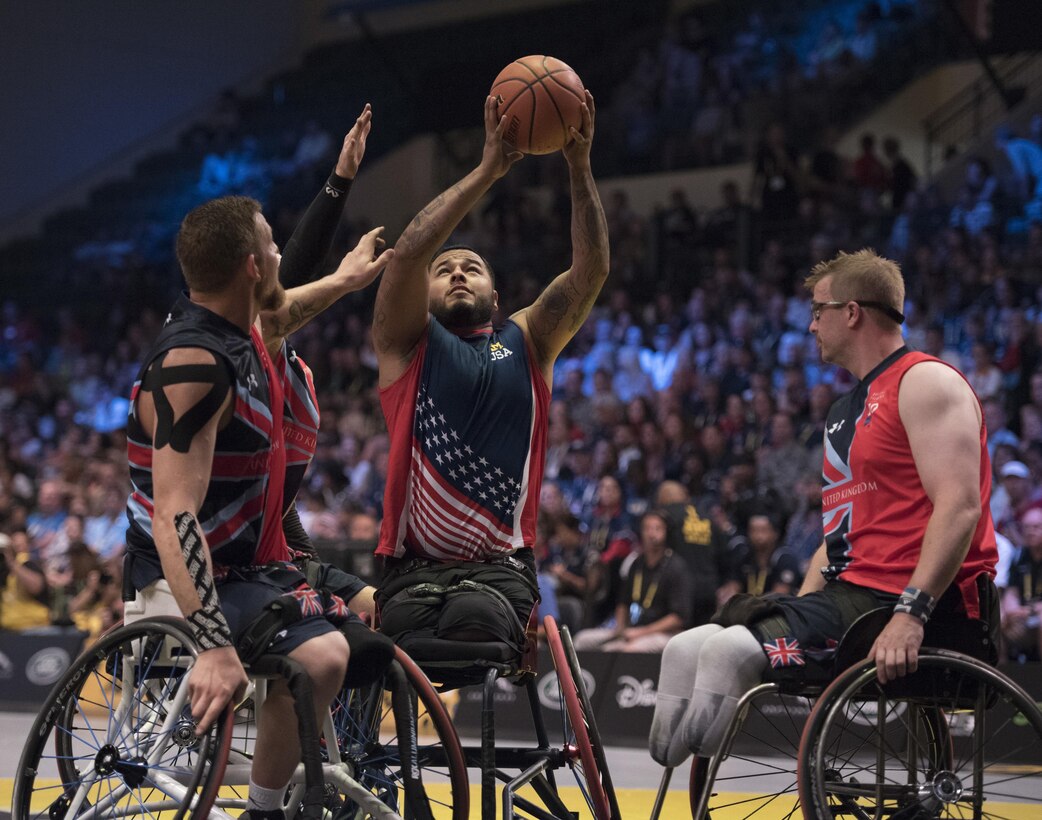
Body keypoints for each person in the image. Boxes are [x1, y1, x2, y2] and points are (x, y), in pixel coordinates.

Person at [649, 248, 998, 768]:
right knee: (681, 650)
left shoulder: (926, 382)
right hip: (851, 599)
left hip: (918, 606)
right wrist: (796, 615)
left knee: (725, 653)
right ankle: (664, 784)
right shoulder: (842, 411)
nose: (811, 326)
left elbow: (961, 507)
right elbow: (837, 535)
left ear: (852, 312)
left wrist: (911, 613)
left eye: (818, 311)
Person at [124, 191, 390, 820]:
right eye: (272, 242)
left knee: (369, 636)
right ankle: (265, 810)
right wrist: (214, 645)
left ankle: (315, 775)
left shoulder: (238, 329)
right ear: (251, 265)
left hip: (248, 564)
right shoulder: (194, 361)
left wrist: (347, 281)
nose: (280, 251)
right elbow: (173, 515)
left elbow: (288, 305)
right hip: (184, 572)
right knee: (322, 657)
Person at [371, 92, 608, 660]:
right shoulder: (406, 344)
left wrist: (579, 167)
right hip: (412, 568)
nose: (456, 272)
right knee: (396, 646)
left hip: (499, 568)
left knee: (475, 625)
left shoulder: (528, 339)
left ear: (495, 296)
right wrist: (487, 170)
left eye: (471, 267)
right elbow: (406, 255)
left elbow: (591, 271)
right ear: (425, 293)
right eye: (444, 269)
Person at [572, 509, 691, 652]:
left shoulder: (676, 567)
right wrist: (620, 628)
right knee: (582, 639)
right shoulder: (636, 564)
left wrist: (643, 632)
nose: (651, 533)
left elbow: (678, 618)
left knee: (627, 650)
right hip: (632, 629)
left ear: (667, 532)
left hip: (664, 633)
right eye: (647, 528)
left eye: (657, 528)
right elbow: (623, 602)